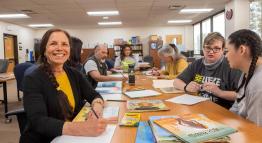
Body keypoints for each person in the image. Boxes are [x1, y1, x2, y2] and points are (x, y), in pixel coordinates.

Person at [21, 29, 110, 143]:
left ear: (69, 50)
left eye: (64, 44)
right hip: (47, 139)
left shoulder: (74, 74)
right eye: (53, 44)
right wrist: (82, 128)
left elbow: (93, 94)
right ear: (44, 50)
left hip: (71, 137)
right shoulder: (33, 79)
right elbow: (38, 121)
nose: (59, 48)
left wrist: (97, 109)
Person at [173, 32, 242, 109]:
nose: (211, 52)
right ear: (203, 49)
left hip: (222, 112)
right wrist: (186, 87)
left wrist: (220, 93)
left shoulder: (232, 66)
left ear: (223, 50)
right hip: (198, 107)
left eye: (216, 48)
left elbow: (241, 95)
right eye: (208, 48)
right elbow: (176, 81)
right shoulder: (197, 64)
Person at [227, 29, 262, 126]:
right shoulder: (247, 72)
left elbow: (256, 130)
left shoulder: (258, 84)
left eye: (227, 51)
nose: (226, 55)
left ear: (242, 50)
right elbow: (238, 104)